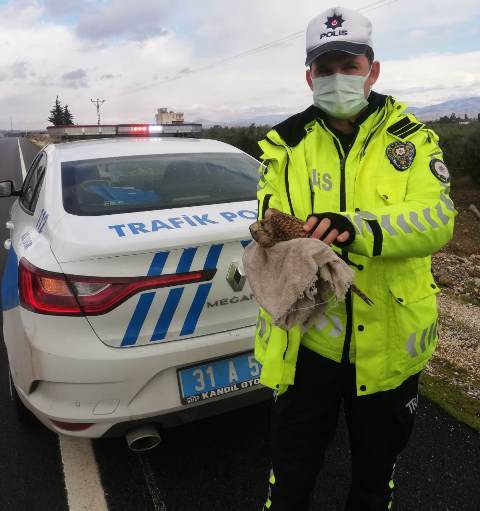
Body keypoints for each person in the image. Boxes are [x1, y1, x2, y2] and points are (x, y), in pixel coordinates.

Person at [254, 6, 456, 510]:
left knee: (373, 482)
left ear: (373, 70)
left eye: (350, 65)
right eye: (326, 68)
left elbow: (437, 219)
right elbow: (268, 224)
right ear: (309, 76)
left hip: (388, 345)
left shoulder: (412, 138)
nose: (338, 77)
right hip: (305, 344)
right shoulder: (284, 145)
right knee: (290, 480)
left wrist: (357, 227)